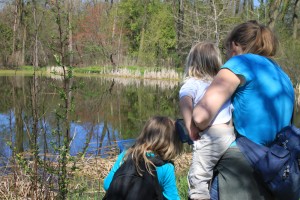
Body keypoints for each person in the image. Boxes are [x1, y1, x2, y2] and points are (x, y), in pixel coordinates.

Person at [192, 20, 294, 200]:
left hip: (240, 167)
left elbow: (201, 116)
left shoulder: (240, 63)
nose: (227, 57)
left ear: (235, 45)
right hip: (274, 166)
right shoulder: (283, 76)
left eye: (226, 50)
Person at [179, 41, 235, 200]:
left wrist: (191, 127)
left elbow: (185, 102)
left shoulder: (191, 83)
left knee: (199, 178)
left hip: (211, 137)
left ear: (192, 62)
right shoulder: (221, 84)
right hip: (230, 134)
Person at [103, 116, 183, 200]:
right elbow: (172, 198)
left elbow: (107, 184)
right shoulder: (166, 167)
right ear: (172, 142)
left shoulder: (125, 155)